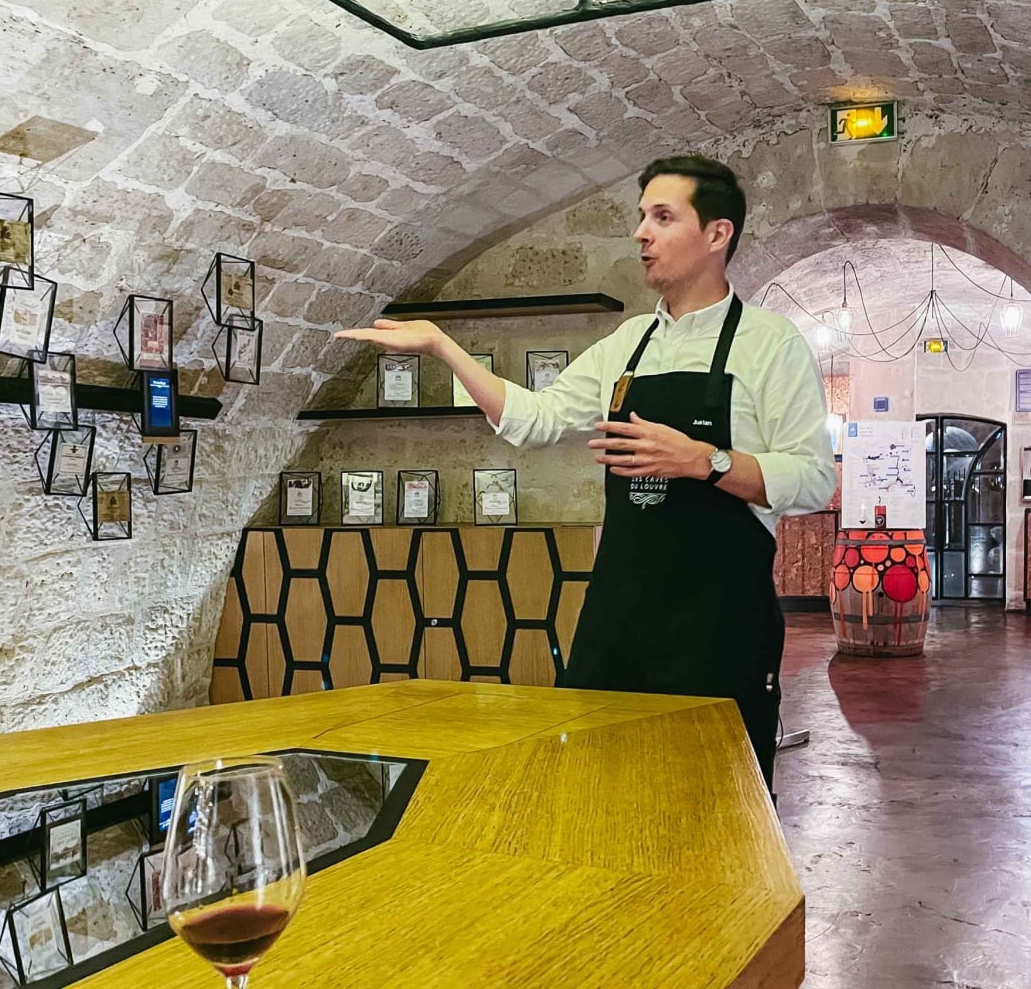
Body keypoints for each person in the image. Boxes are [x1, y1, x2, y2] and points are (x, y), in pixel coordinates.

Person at [336, 154, 836, 788]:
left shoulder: (770, 343)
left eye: (662, 217)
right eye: (641, 217)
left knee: (715, 802)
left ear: (717, 234)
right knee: (598, 794)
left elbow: (813, 480)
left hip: (720, 627)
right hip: (619, 620)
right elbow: (534, 419)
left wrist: (701, 460)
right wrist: (443, 346)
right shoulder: (627, 345)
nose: (640, 233)